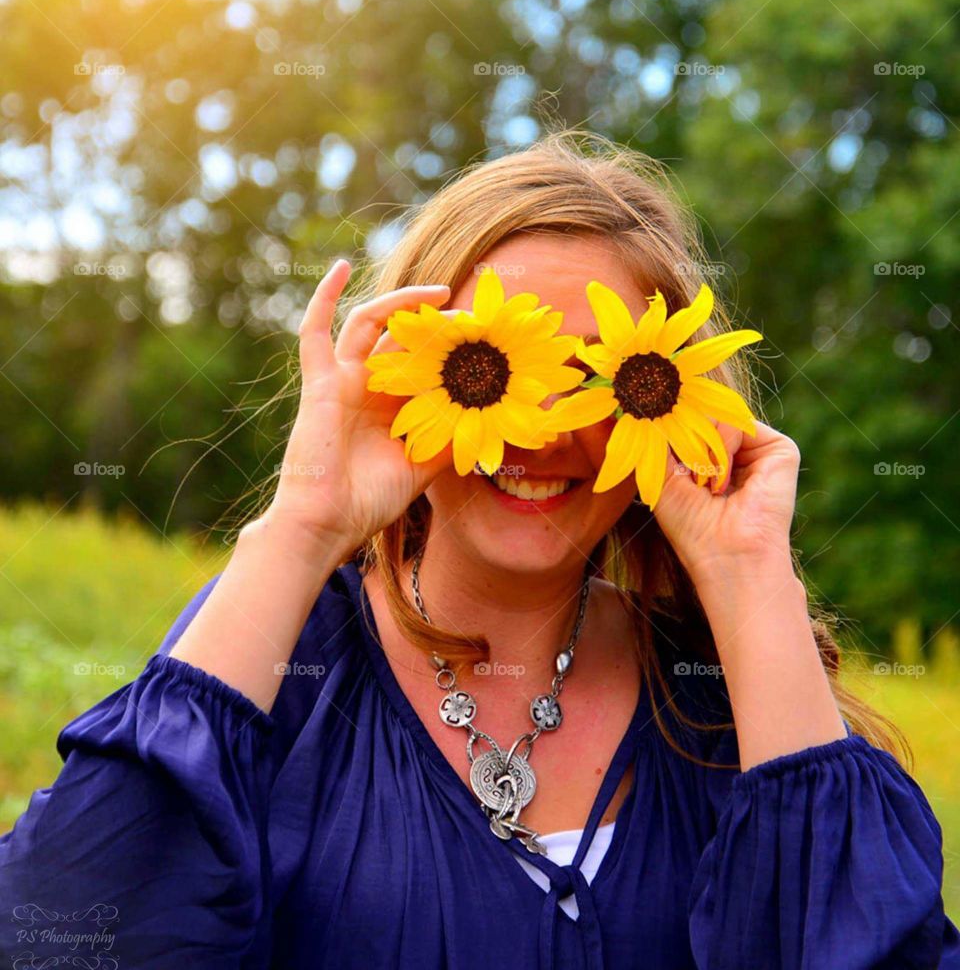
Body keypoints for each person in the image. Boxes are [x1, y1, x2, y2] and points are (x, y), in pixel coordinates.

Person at [1, 131, 957, 969]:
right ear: (403, 372)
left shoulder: (719, 700)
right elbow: (57, 929)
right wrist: (300, 526)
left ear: (666, 399)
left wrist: (751, 579)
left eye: (591, 374)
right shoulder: (284, 664)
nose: (539, 432)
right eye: (497, 365)